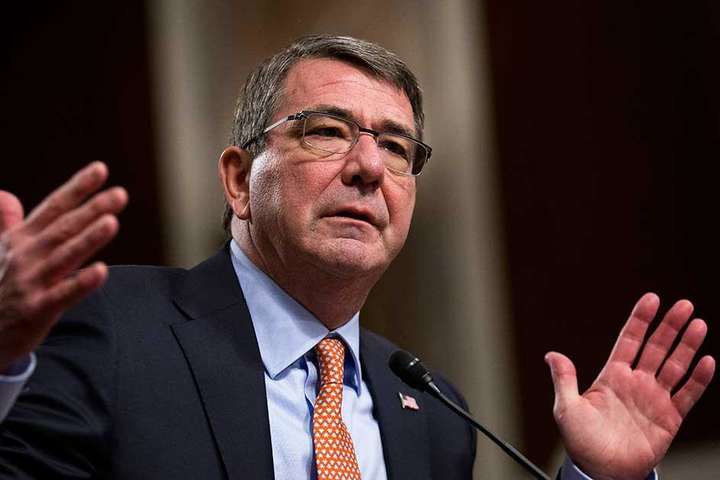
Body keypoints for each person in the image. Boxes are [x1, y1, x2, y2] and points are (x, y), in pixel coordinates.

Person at [0, 34, 714, 479]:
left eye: (396, 147)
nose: (369, 167)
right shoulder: (112, 325)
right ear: (238, 181)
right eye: (326, 131)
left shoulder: (434, 417)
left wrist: (600, 479)